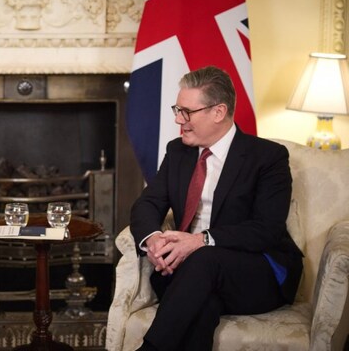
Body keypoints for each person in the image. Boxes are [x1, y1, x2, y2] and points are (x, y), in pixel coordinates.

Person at [130, 66, 303, 351]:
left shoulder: (267, 157)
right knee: (202, 306)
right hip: (187, 274)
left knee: (205, 258)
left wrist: (200, 241)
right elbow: (149, 202)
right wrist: (154, 240)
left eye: (186, 112)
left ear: (218, 112)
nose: (177, 119)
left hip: (254, 271)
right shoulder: (178, 152)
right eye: (177, 109)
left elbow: (267, 229)